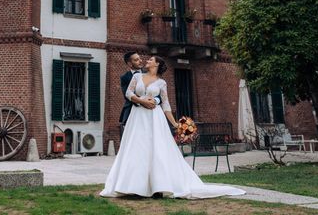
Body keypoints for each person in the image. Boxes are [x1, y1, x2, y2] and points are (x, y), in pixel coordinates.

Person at [101, 56, 245, 199]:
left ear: (157, 64)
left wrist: (175, 124)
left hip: (154, 118)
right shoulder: (137, 77)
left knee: (156, 149)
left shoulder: (161, 83)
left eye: (150, 60)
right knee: (136, 148)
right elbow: (128, 93)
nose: (147, 61)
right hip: (137, 116)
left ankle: (158, 187)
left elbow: (166, 104)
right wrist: (142, 101)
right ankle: (131, 186)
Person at [119, 52, 157, 137]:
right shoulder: (125, 77)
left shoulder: (149, 73)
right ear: (129, 63)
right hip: (132, 107)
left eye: (140, 58)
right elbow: (126, 95)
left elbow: (157, 91)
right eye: (136, 60)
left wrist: (152, 101)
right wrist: (143, 102)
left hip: (151, 107)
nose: (140, 61)